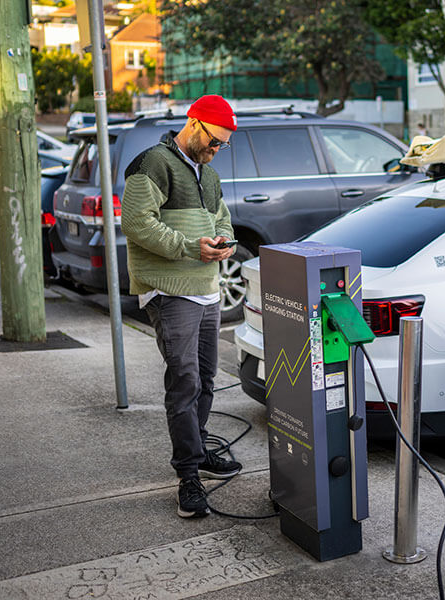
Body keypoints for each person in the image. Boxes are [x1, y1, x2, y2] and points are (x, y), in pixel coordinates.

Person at [121, 94, 242, 519]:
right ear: (193, 123)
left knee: (207, 379)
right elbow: (135, 223)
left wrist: (222, 241)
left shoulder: (207, 174)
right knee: (185, 382)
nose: (216, 150)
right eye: (214, 141)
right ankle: (188, 475)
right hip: (171, 292)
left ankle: (199, 446)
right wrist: (190, 247)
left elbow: (222, 217)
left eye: (223, 145)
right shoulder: (153, 162)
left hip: (207, 290)